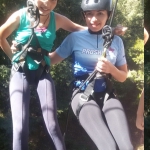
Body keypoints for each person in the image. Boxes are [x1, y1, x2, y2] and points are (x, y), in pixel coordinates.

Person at [0, 0, 127, 150]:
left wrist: (110, 30)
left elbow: (85, 28)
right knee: (20, 127)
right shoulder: (20, 16)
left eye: (53, 1)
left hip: (43, 72)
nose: (47, 4)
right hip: (22, 72)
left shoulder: (57, 19)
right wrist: (14, 57)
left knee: (53, 126)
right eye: (43, 0)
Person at [49, 0, 133, 149]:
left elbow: (122, 77)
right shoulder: (75, 38)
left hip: (107, 93)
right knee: (108, 146)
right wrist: (30, 51)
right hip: (82, 94)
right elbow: (51, 60)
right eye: (89, 14)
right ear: (84, 16)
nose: (94, 19)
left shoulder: (116, 41)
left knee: (126, 146)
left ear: (109, 15)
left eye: (100, 13)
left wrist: (111, 69)